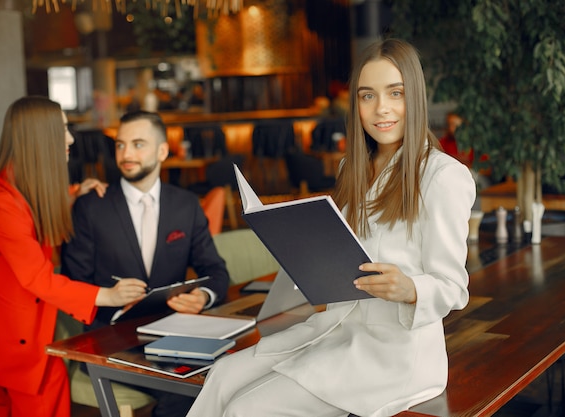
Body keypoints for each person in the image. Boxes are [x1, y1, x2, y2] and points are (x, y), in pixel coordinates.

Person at [186, 38, 476, 417]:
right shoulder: (350, 169)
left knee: (248, 408)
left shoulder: (442, 176)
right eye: (367, 96)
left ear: (415, 98)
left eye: (395, 93)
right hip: (336, 329)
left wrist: (409, 288)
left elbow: (453, 288)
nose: (381, 109)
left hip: (396, 354)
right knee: (223, 374)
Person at [0, 96, 147, 417]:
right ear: (38, 137)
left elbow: (31, 206)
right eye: (62, 129)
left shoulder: (17, 188)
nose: (70, 138)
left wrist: (75, 192)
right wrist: (108, 295)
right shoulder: (0, 204)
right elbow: (38, 278)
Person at [61, 110, 230, 417]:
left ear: (162, 151)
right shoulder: (90, 206)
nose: (126, 154)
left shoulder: (185, 204)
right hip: (110, 339)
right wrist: (111, 300)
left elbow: (216, 270)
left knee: (231, 370)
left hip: (174, 331)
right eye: (121, 145)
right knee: (184, 391)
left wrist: (203, 297)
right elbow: (73, 281)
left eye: (138, 144)